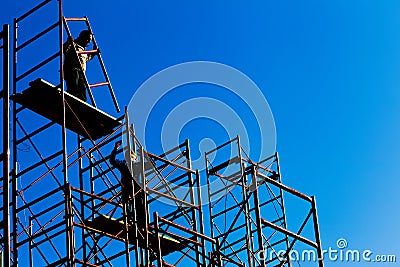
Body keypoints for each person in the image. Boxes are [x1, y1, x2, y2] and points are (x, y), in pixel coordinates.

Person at [110, 141, 146, 227]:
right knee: (127, 206)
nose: (130, 158)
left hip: (137, 188)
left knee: (140, 206)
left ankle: (142, 224)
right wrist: (115, 149)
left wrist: (142, 155)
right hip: (127, 187)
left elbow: (151, 164)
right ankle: (128, 221)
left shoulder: (137, 165)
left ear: (135, 158)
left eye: (132, 157)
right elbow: (112, 161)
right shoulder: (123, 164)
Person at [63, 30, 95, 102]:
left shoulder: (82, 49)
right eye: (88, 39)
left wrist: (93, 53)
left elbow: (86, 58)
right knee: (74, 87)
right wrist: (68, 42)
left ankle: (81, 102)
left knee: (82, 88)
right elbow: (64, 49)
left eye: (90, 40)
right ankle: (71, 100)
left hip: (81, 71)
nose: (89, 42)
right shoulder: (74, 45)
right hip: (72, 69)